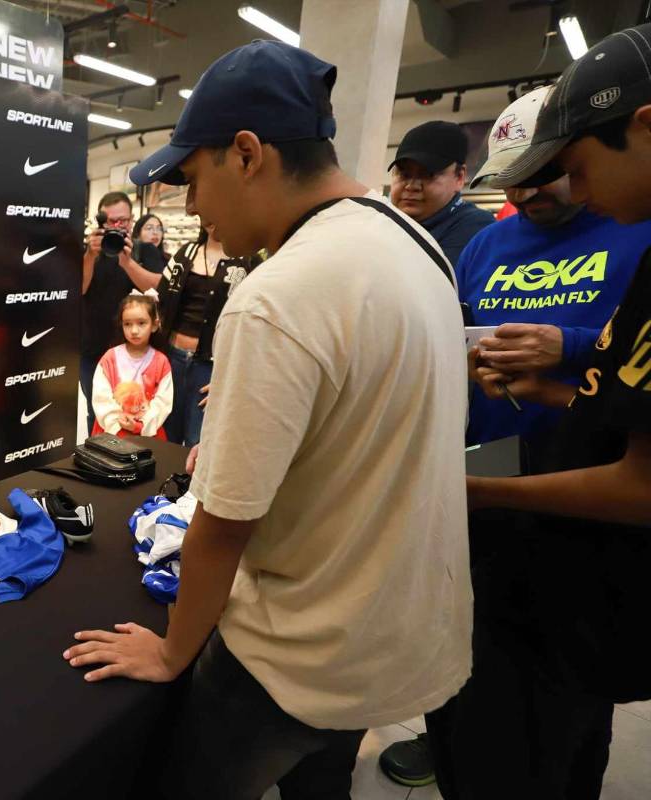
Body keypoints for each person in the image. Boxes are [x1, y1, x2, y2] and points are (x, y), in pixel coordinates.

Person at [62, 41, 472, 798]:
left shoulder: (278, 295)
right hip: (385, 638)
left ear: (245, 153)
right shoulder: (417, 246)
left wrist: (172, 652)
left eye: (193, 179)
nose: (193, 208)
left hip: (294, 653)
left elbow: (224, 519)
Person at [378, 84, 651, 789]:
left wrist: (570, 345)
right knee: (479, 658)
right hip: (493, 472)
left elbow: (631, 366)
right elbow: (457, 336)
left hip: (590, 497)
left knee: (565, 695)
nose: (530, 196)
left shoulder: (634, 222)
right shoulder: (488, 244)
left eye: (549, 176)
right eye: (515, 183)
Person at [155, 223, 260, 447]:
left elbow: (255, 321)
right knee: (165, 430)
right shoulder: (186, 253)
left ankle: (191, 483)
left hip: (214, 365)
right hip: (173, 358)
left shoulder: (248, 261)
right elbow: (162, 296)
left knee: (199, 439)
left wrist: (235, 372)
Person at [81, 192, 163, 432]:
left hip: (135, 349)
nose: (117, 227)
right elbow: (78, 289)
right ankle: (96, 460)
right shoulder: (89, 251)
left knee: (136, 411)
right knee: (97, 412)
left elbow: (157, 286)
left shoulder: (144, 250)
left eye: (123, 221)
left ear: (131, 219)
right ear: (101, 222)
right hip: (92, 348)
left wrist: (127, 262)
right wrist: (89, 254)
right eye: (111, 222)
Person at [389, 120, 495, 267]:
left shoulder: (475, 227)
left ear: (459, 177)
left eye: (427, 174)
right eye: (404, 174)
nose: (411, 186)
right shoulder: (385, 220)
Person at [91, 291, 173, 439]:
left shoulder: (161, 362)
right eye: (127, 324)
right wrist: (117, 424)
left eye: (141, 323)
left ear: (154, 325)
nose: (134, 331)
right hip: (111, 433)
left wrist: (140, 425)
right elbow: (101, 397)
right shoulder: (110, 358)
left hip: (147, 434)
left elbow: (163, 402)